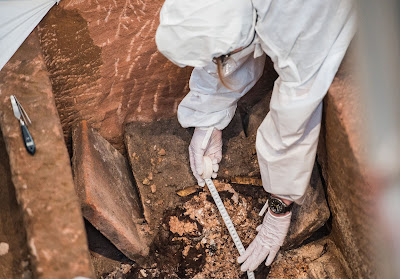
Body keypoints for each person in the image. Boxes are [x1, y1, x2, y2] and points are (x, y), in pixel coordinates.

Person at [156, 0, 356, 272]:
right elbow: (231, 32)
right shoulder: (233, 13)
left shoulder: (297, 21)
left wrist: (280, 203)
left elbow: (295, 111)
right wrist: (209, 116)